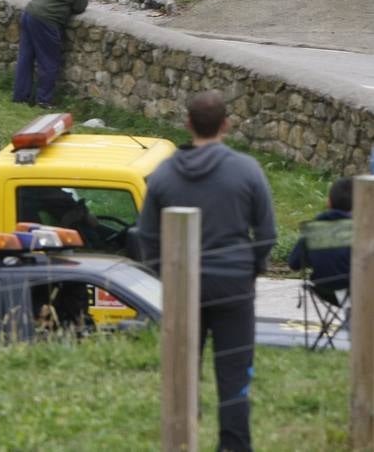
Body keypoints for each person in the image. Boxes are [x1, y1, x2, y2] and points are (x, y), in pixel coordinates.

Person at [137, 91, 276, 452]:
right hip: (234, 285)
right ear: (226, 124)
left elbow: (147, 237)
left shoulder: (163, 175)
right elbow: (267, 233)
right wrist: (252, 269)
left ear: (187, 124)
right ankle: (233, 445)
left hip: (183, 286)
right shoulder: (247, 170)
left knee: (182, 371)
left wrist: (165, 275)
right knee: (234, 375)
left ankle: (182, 439)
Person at [12, 0, 87, 107]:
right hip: (46, 21)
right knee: (48, 61)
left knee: (25, 58)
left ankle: (20, 96)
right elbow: (80, 6)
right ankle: (43, 100)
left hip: (29, 14)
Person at [288, 176, 352, 302]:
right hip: (358, 291)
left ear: (329, 202)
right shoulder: (362, 230)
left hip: (324, 291)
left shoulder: (314, 229)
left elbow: (294, 263)